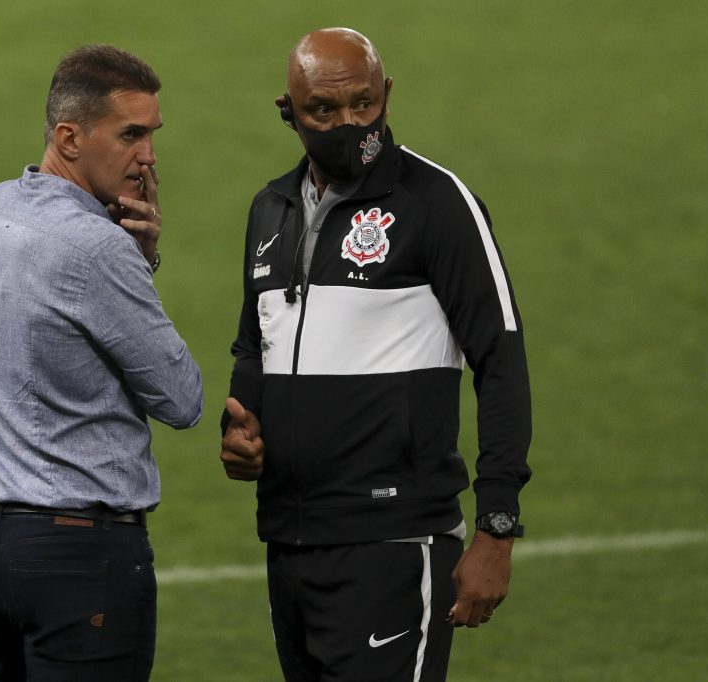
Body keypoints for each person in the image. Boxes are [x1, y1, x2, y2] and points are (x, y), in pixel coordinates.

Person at [220, 28, 532, 681]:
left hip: (394, 540)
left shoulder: (436, 204)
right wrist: (241, 425)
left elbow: (500, 360)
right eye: (324, 112)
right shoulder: (270, 210)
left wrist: (496, 527)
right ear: (290, 112)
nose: (349, 124)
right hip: (292, 539)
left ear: (387, 94)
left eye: (364, 103)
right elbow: (256, 344)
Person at [0, 44, 203, 681]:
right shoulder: (96, 249)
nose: (148, 156)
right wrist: (141, 262)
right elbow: (181, 399)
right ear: (69, 137)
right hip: (81, 554)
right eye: (130, 134)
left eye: (152, 134)